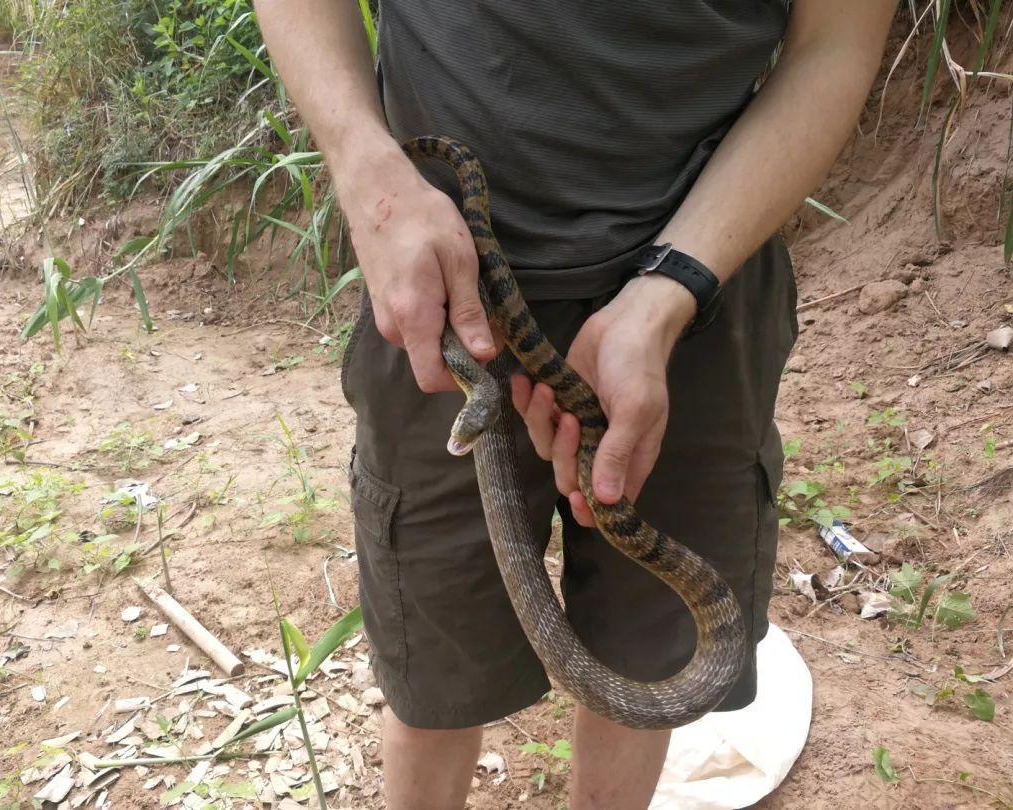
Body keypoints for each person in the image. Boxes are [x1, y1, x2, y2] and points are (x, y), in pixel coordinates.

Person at [256, 2, 898, 807]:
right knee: (436, 668)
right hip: (438, 282)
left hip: (704, 287)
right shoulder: (457, 360)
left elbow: (833, 46)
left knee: (651, 654)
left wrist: (671, 291)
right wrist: (366, 167)